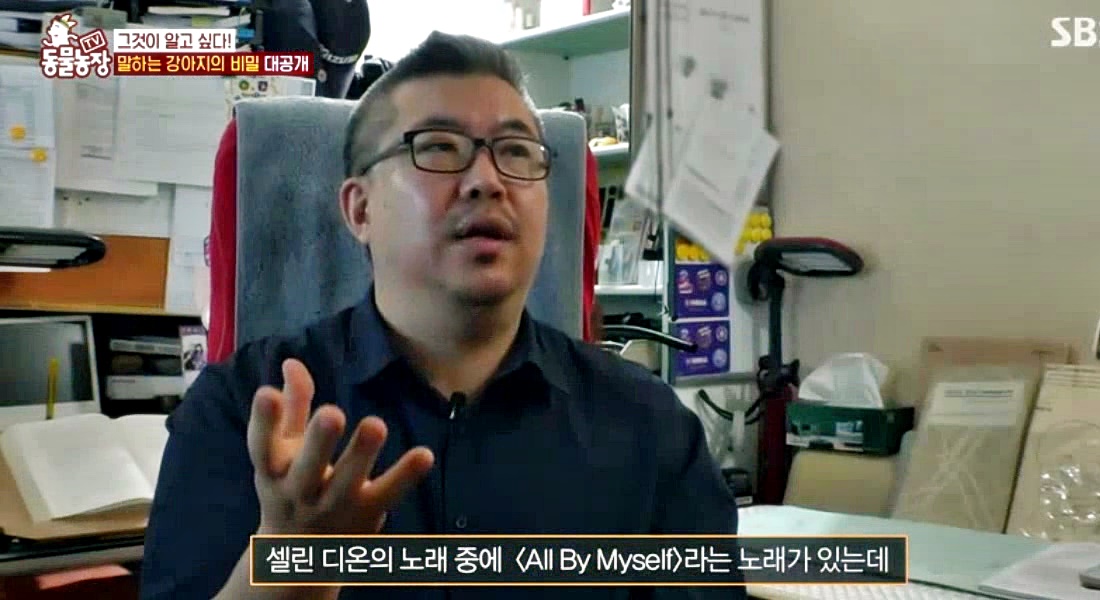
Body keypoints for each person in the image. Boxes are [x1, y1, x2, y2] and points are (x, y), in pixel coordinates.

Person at [139, 31, 741, 600]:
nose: (487, 181)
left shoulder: (649, 425)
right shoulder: (241, 410)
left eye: (516, 152)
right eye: (438, 148)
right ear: (360, 210)